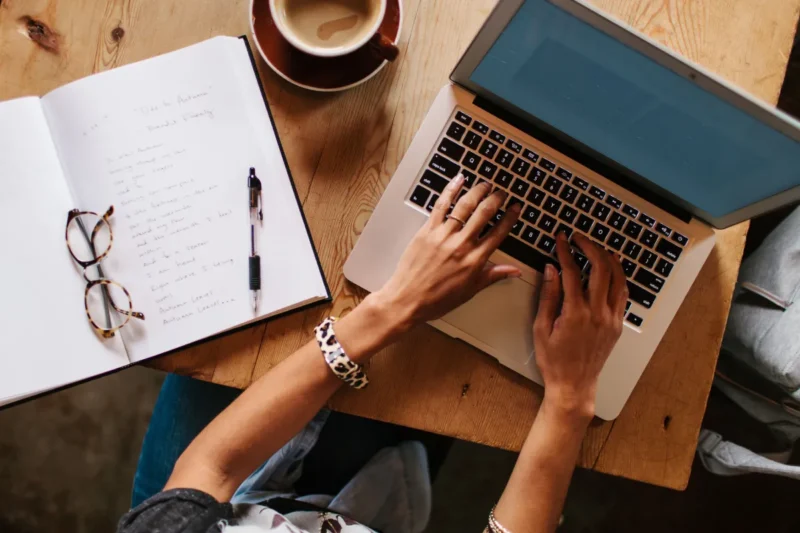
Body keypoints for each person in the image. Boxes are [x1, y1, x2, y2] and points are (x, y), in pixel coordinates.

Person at [118, 175, 628, 533]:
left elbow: (208, 469)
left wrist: (392, 308)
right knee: (447, 375)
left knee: (230, 337)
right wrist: (568, 400)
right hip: (363, 515)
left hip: (221, 501)